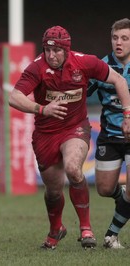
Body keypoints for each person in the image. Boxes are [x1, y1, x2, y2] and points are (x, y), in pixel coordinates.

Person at [8, 25, 130, 250]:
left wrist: (127, 114)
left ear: (67, 50)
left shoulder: (86, 62)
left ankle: (86, 228)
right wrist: (42, 109)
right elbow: (14, 97)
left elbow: (119, 81)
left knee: (74, 169)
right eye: (47, 50)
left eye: (57, 51)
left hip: (75, 128)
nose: (51, 56)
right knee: (53, 190)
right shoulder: (37, 67)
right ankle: (56, 229)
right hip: (45, 133)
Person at [87, 18, 130, 249]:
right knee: (104, 189)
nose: (119, 43)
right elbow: (80, 94)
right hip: (110, 136)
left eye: (124, 38)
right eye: (115, 38)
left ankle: (111, 235)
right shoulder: (101, 67)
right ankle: (123, 197)